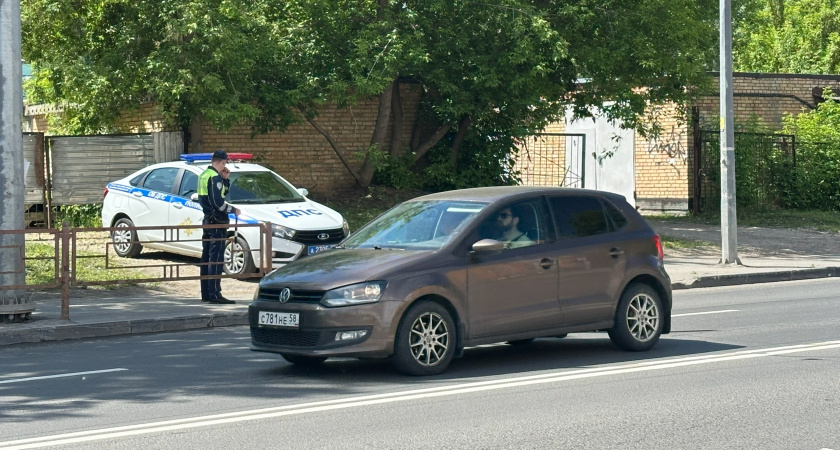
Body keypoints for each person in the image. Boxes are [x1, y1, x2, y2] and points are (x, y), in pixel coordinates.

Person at [197, 150, 241, 304]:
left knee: (206, 256)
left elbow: (218, 194)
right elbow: (219, 202)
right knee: (216, 258)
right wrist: (233, 210)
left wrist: (225, 180)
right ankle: (215, 294)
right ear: (223, 162)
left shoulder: (204, 175)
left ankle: (206, 293)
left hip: (207, 220)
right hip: (217, 222)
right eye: (225, 162)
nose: (226, 165)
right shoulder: (214, 177)